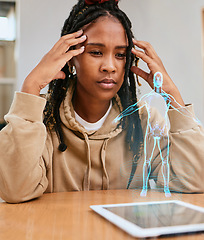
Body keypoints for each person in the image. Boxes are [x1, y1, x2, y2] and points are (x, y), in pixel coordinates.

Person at [0, 0, 204, 203]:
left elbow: (195, 181)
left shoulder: (144, 121)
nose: (109, 66)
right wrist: (32, 86)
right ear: (71, 57)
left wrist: (172, 96)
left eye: (120, 55)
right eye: (96, 52)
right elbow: (16, 190)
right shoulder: (42, 119)